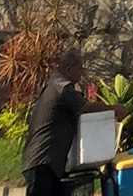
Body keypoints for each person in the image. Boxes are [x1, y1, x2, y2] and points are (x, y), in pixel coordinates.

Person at [21, 48, 85, 196]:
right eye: (80, 68)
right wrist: (114, 109)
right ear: (69, 68)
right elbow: (85, 107)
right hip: (42, 162)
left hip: (50, 164)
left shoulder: (55, 84)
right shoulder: (61, 86)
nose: (82, 73)